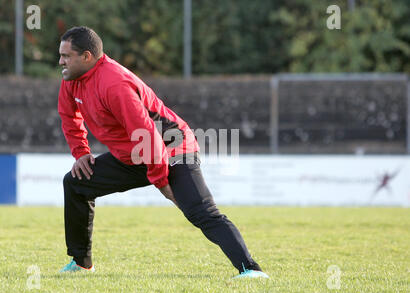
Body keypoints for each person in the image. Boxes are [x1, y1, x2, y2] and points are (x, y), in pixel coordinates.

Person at [57, 26, 268, 279]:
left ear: (87, 57)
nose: (61, 61)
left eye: (66, 56)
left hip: (171, 147)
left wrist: (162, 182)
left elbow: (148, 135)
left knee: (200, 211)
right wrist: (81, 152)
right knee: (76, 183)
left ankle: (251, 270)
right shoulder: (72, 79)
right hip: (136, 154)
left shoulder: (114, 84)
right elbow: (69, 115)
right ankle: (81, 263)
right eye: (61, 55)